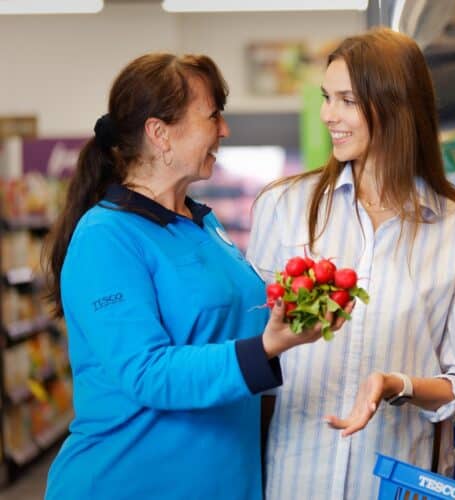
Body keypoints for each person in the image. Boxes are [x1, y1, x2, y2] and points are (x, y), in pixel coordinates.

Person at [43, 52, 350, 500]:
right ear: (159, 133)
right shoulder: (105, 238)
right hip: (129, 482)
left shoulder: (202, 224)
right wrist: (266, 346)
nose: (224, 130)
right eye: (213, 116)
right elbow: (146, 373)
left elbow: (227, 333)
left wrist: (300, 313)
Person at [247, 28, 455, 499]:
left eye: (346, 99)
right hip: (294, 479)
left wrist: (398, 385)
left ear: (395, 106)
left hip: (393, 481)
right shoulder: (284, 207)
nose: (328, 115)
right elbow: (247, 349)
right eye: (326, 97)